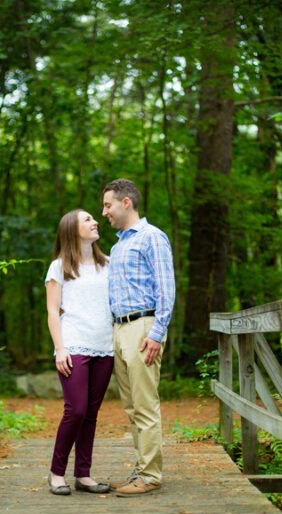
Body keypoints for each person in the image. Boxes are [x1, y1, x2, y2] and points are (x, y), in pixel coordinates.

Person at [101, 178, 175, 497]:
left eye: (108, 205)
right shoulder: (119, 245)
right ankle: (141, 468)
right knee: (132, 406)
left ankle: (151, 475)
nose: (104, 212)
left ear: (126, 202)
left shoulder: (151, 237)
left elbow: (166, 287)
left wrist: (157, 333)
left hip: (143, 327)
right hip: (120, 329)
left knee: (145, 404)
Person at [44, 209, 114, 496]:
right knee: (76, 410)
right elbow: (51, 310)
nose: (95, 221)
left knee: (91, 414)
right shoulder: (59, 266)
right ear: (72, 230)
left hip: (105, 346)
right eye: (87, 219)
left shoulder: (108, 263)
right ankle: (56, 473)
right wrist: (60, 348)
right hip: (73, 344)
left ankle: (83, 475)